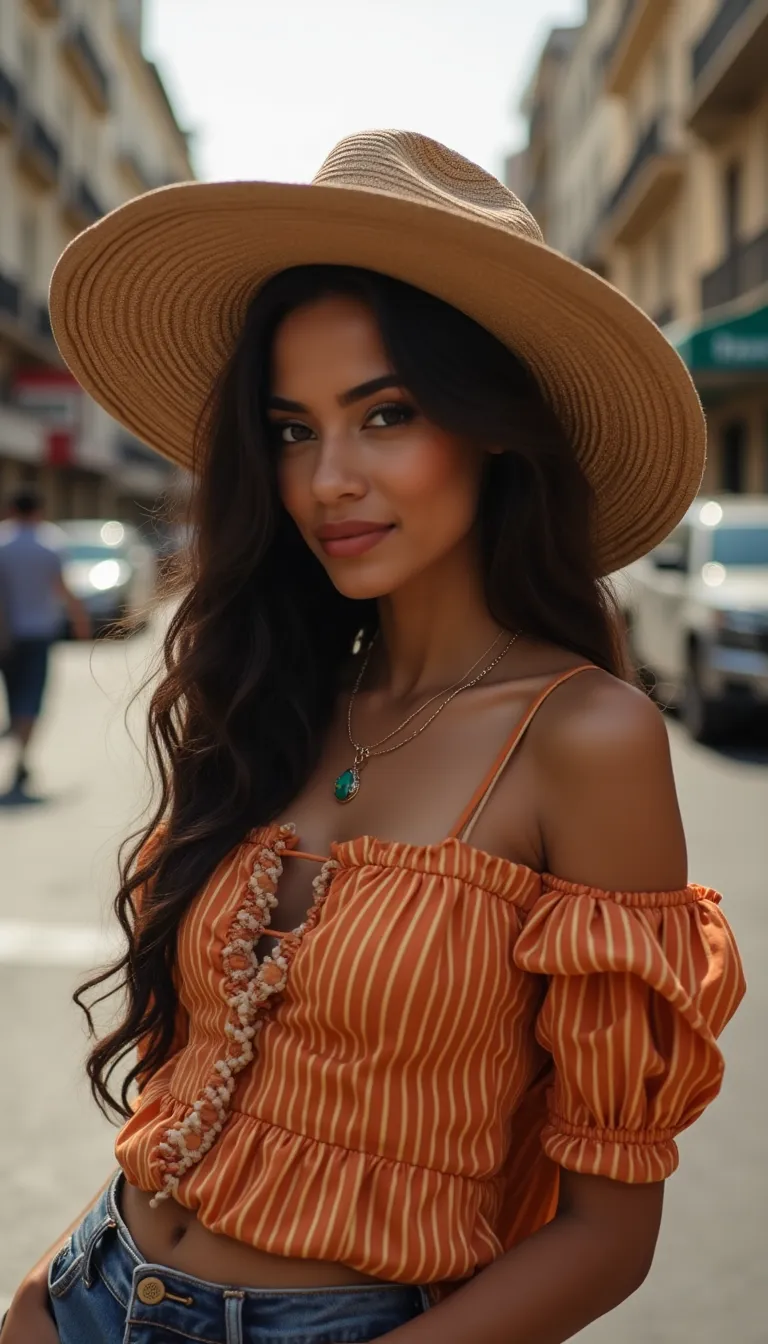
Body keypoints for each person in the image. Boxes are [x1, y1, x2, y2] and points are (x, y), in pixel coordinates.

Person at [4, 131, 745, 1344]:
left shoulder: (584, 736)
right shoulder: (286, 696)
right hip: (88, 1295)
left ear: (493, 429)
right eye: (293, 429)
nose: (327, 480)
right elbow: (206, 1090)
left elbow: (610, 1237)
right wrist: (42, 1300)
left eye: (385, 415)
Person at [0, 489, 90, 797]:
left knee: (12, 694)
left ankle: (16, 742)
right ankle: (22, 757)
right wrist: (80, 621)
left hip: (5, 635)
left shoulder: (3, 543)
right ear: (39, 510)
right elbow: (63, 587)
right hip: (38, 634)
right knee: (31, 697)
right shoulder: (51, 543)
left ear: (12, 508)